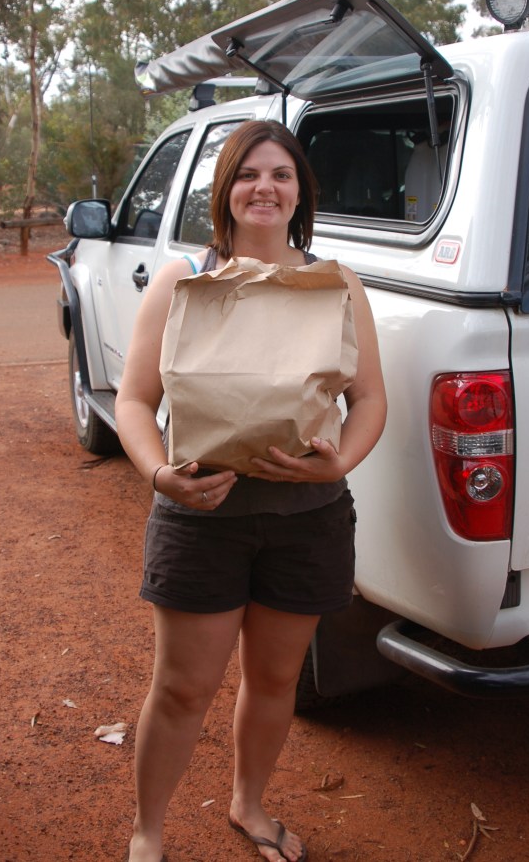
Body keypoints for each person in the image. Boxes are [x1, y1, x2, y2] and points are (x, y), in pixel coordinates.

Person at [115, 119, 388, 862]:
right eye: (247, 174)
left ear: (300, 194)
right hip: (202, 519)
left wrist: (339, 465)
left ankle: (249, 804)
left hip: (308, 521)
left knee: (273, 682)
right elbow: (133, 401)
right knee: (181, 688)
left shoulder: (335, 283)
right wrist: (159, 475)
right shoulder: (184, 281)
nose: (264, 187)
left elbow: (369, 400)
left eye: (281, 175)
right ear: (225, 190)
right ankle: (148, 833)